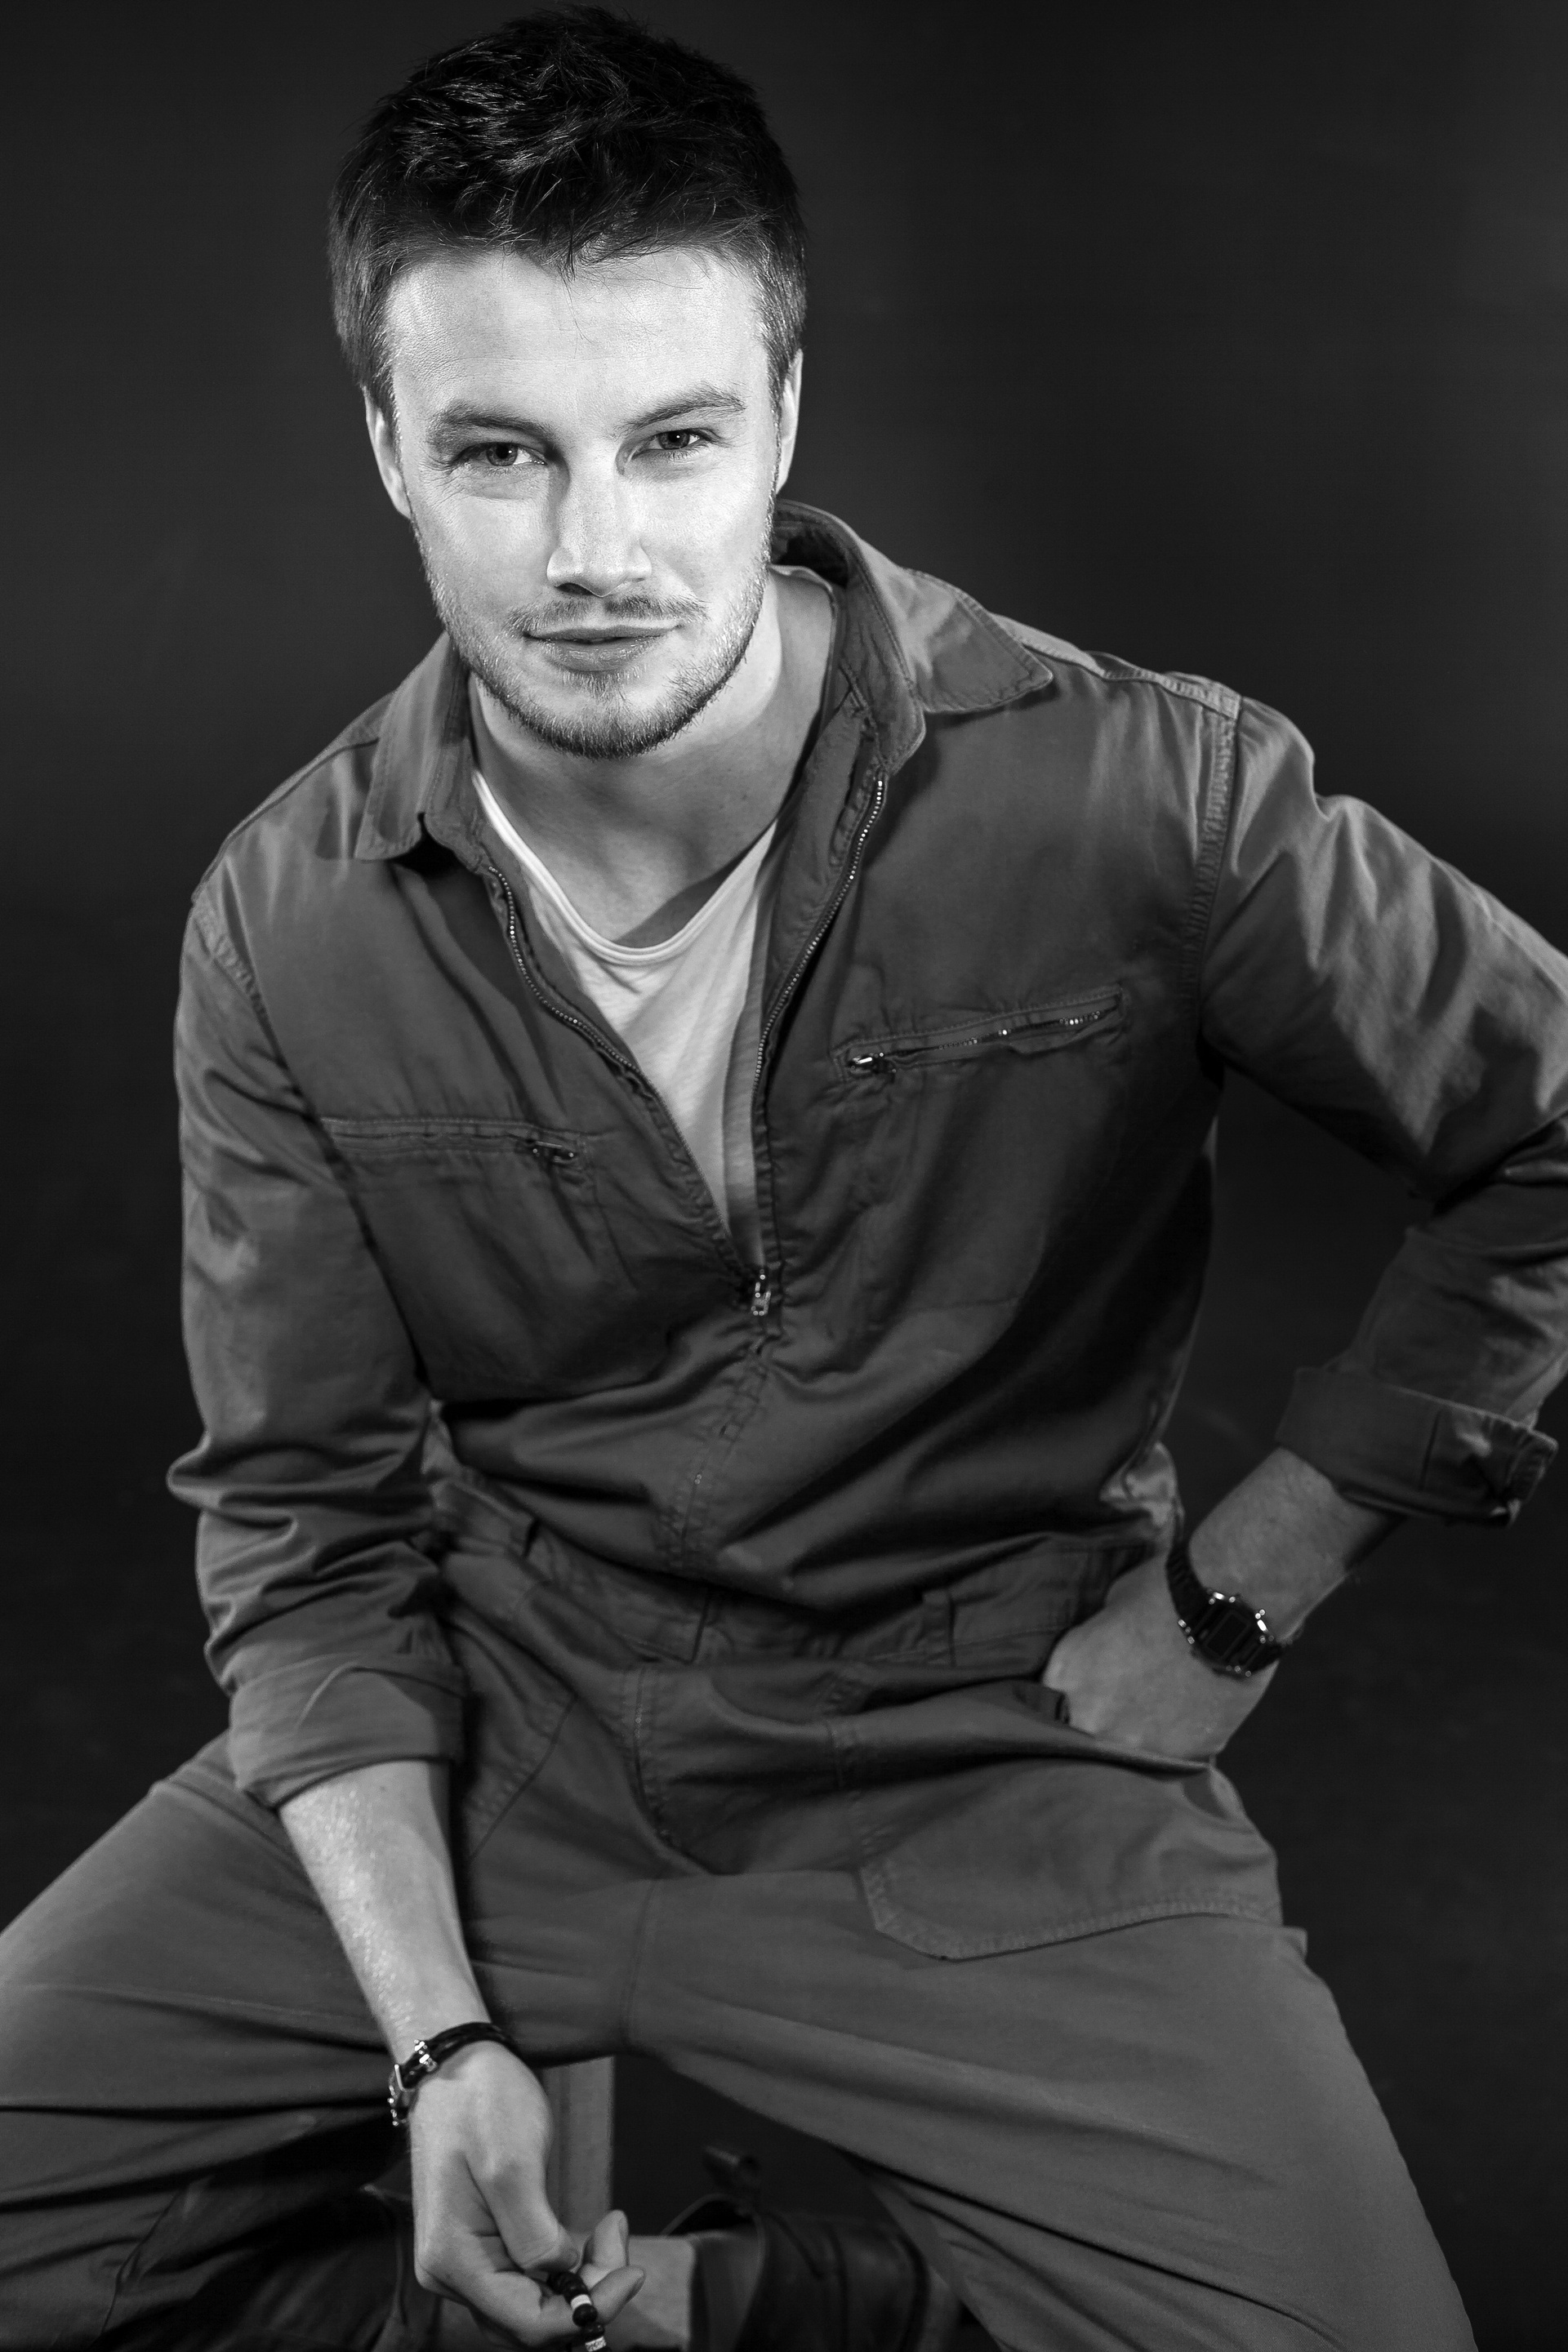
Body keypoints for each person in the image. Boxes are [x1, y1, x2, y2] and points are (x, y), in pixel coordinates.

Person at [1, 9, 1563, 2348]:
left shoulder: (1138, 795)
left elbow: (1549, 1118)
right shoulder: (290, 919)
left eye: (673, 441)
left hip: (986, 1745)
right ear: (390, 449)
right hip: (510, 1721)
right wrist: (435, 2040)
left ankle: (767, 2309)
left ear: (786, 420)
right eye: (502, 453)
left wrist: (1253, 1583)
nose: (596, 553)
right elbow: (307, 1533)